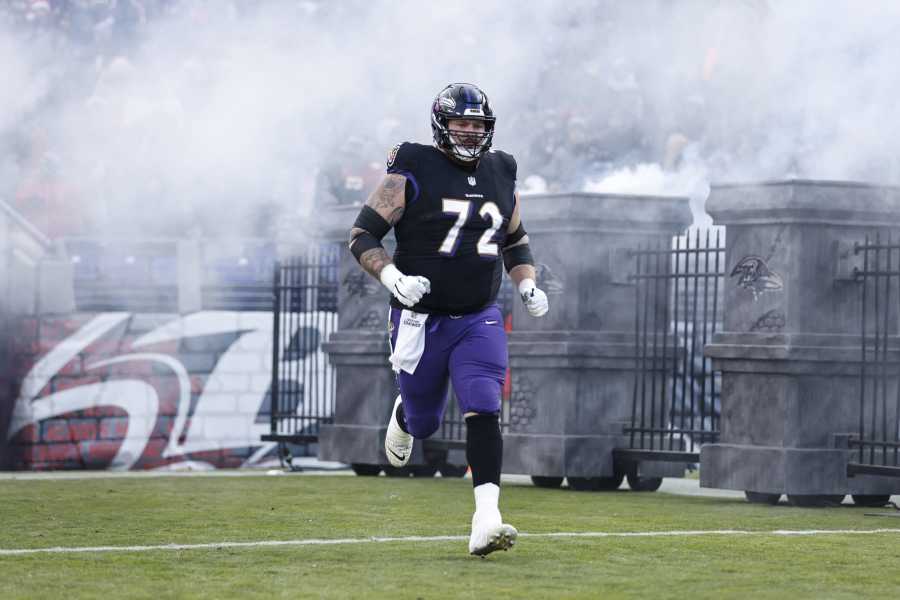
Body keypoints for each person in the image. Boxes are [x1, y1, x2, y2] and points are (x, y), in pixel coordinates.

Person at [348, 83, 549, 557]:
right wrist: (392, 276)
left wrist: (526, 283)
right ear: (442, 124)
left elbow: (515, 240)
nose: (469, 131)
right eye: (461, 122)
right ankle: (404, 412)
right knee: (423, 421)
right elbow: (363, 233)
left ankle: (487, 517)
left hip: (479, 315)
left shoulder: (502, 169)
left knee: (484, 405)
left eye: (477, 124)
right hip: (420, 318)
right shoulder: (414, 164)